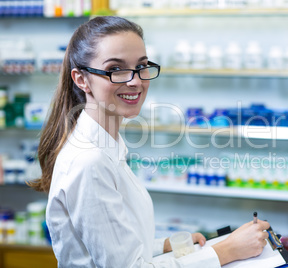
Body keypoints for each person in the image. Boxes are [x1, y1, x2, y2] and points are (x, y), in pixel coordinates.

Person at [29, 16, 270, 267]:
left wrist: (162, 246)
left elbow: (111, 247)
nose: (135, 81)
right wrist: (226, 251)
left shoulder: (109, 145)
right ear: (81, 79)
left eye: (141, 66)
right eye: (115, 69)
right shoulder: (90, 162)